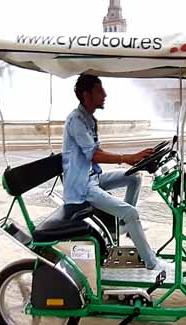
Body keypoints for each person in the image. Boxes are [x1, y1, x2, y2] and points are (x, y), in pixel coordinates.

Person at [61, 74, 168, 270]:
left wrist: (138, 160)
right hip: (81, 187)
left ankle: (125, 226)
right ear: (86, 94)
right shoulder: (75, 120)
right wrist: (128, 157)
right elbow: (94, 155)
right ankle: (153, 264)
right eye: (99, 91)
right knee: (131, 212)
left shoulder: (89, 118)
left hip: (92, 178)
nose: (105, 95)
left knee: (134, 177)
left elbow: (95, 156)